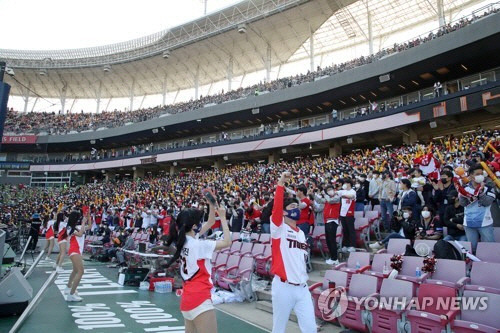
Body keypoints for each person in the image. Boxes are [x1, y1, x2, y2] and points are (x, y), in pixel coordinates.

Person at [164, 201, 230, 333]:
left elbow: (210, 221)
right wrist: (223, 217)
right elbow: (227, 242)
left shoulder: (182, 241)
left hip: (187, 298)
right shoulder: (199, 245)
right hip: (200, 299)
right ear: (194, 226)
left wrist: (212, 205)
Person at [270, 172, 317, 333]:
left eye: (297, 207)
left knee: (310, 328)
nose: (296, 209)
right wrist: (281, 183)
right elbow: (276, 208)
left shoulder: (301, 233)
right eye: (292, 207)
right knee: (279, 329)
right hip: (284, 287)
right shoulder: (279, 229)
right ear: (284, 212)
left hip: (302, 287)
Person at [458, 164, 496, 252]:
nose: (480, 176)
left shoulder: (489, 188)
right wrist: (462, 195)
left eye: (481, 173)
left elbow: (486, 202)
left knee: (490, 248)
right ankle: (473, 265)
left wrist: (481, 192)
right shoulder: (465, 188)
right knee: (472, 249)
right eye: (477, 174)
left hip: (485, 223)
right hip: (469, 223)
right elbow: (463, 203)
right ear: (471, 175)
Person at [65, 208, 92, 302]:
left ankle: (68, 287)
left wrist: (88, 217)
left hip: (77, 251)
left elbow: (89, 226)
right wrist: (84, 223)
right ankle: (71, 294)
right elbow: (80, 234)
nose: (80, 218)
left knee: (75, 270)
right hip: (74, 250)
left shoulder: (77, 226)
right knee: (81, 271)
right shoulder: (69, 228)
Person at [321, 185, 341, 265]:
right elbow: (320, 200)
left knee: (332, 240)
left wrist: (325, 194)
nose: (329, 191)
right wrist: (313, 195)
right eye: (328, 190)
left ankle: (335, 258)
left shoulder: (337, 197)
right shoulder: (327, 198)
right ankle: (332, 257)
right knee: (328, 240)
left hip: (333, 220)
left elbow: (329, 201)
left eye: (330, 189)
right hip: (327, 221)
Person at [338, 179, 356, 252]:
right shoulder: (342, 191)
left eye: (346, 183)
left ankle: (353, 245)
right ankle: (346, 245)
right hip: (342, 213)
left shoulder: (353, 191)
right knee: (345, 230)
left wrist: (342, 195)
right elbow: (335, 193)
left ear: (349, 184)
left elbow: (351, 196)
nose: (345, 184)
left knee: (351, 229)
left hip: (349, 213)